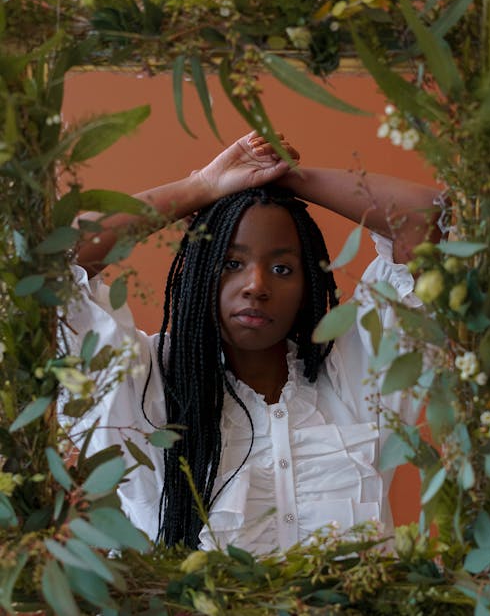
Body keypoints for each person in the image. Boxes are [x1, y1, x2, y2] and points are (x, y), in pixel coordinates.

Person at [64, 132, 439, 554]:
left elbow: (430, 222)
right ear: (199, 274)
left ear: (309, 285)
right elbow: (52, 261)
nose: (255, 286)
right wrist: (202, 187)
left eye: (282, 269)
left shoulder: (358, 372)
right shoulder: (141, 386)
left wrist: (284, 178)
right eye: (231, 263)